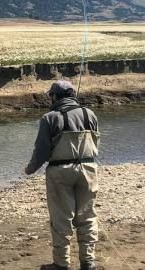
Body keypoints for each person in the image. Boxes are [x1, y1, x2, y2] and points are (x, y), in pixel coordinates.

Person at [24, 80, 100, 270]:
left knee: (61, 219)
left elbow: (41, 151)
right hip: (89, 169)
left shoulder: (49, 118)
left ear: (56, 96)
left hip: (60, 172)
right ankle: (88, 262)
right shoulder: (89, 113)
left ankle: (61, 264)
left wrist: (30, 169)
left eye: (51, 95)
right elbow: (95, 144)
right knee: (87, 217)